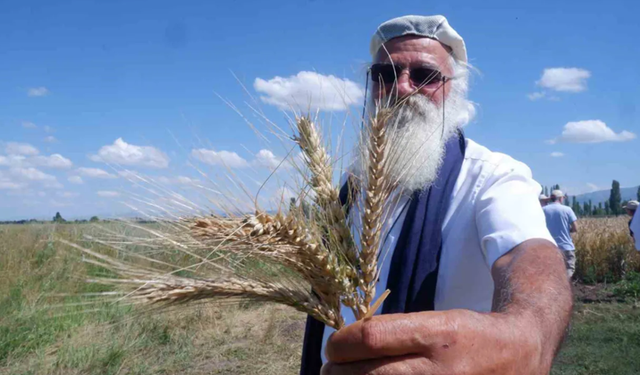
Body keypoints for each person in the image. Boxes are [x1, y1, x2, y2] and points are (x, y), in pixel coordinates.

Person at [300, 15, 572, 375]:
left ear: (453, 91)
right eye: (385, 74)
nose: (401, 87)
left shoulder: (491, 177)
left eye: (424, 76)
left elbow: (530, 254)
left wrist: (528, 332)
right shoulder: (351, 189)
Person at [542, 190, 578, 278]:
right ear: (561, 198)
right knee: (568, 270)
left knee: (551, 271)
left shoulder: (543, 210)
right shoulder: (567, 209)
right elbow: (575, 228)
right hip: (566, 246)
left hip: (549, 247)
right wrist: (566, 230)